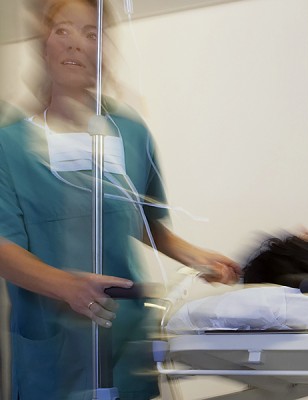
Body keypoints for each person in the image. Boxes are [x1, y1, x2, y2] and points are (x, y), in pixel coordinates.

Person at [0, 1, 240, 399]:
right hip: (51, 353)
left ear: (104, 51)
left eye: (91, 33)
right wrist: (66, 286)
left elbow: (148, 221)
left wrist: (197, 257)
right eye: (62, 30)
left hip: (126, 341)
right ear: (43, 45)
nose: (76, 44)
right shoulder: (10, 142)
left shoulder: (129, 131)